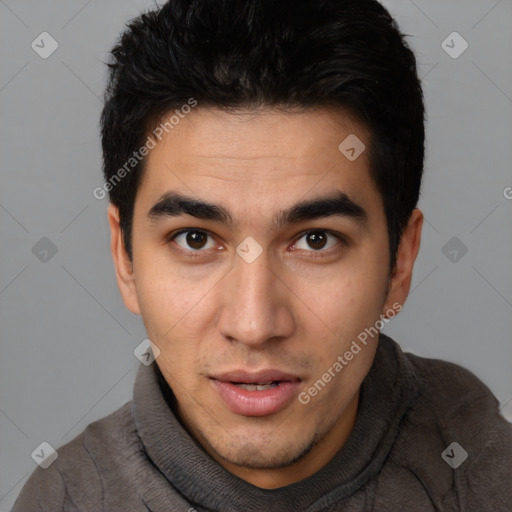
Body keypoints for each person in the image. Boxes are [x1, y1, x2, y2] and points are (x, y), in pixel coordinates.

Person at [12, 0, 512, 510]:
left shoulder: (486, 476)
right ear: (125, 256)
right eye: (195, 239)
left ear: (400, 261)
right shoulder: (65, 500)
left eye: (316, 240)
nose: (254, 324)